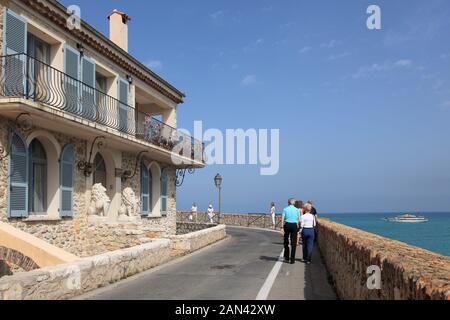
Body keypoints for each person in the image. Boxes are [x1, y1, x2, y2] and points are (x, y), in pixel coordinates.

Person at [281, 198, 301, 264]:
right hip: (294, 225)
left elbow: (283, 219)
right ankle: (292, 259)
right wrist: (298, 227)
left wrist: (281, 227)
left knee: (286, 241)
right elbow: (299, 220)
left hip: (287, 225)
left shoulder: (285, 209)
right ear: (294, 203)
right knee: (293, 242)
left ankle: (286, 257)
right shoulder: (297, 210)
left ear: (289, 202)